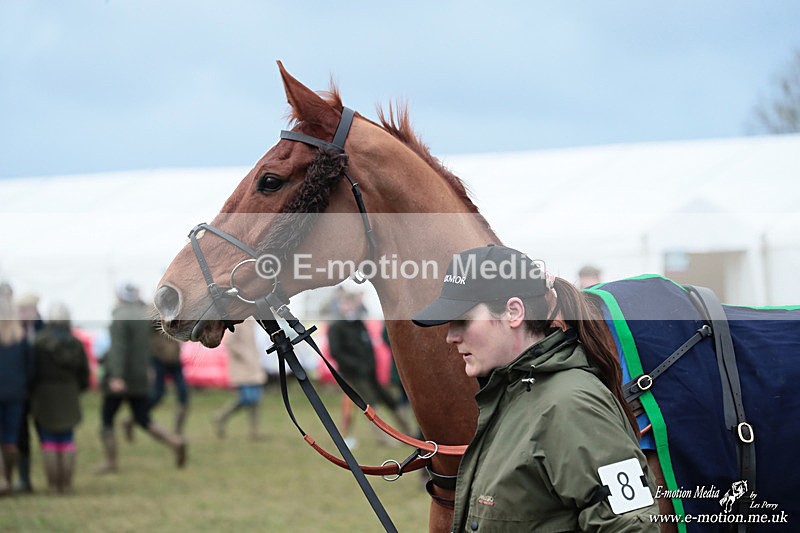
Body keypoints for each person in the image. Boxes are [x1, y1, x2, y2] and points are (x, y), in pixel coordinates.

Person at [412, 245, 659, 531]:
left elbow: (631, 526)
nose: (450, 336)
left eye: (462, 320)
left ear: (513, 312)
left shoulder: (571, 405)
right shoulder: (513, 394)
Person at [94, 283, 186, 474]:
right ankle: (174, 442)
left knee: (106, 420)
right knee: (144, 419)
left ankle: (111, 463)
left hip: (121, 376)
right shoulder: (146, 315)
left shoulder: (120, 317)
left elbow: (119, 348)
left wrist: (116, 376)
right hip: (140, 375)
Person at [327, 291, 411, 449]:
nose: (350, 307)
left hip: (370, 374)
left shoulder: (359, 324)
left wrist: (370, 365)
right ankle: (383, 439)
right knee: (370, 405)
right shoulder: (336, 327)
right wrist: (357, 366)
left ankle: (409, 434)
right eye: (347, 303)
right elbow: (336, 352)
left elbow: (369, 347)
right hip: (353, 375)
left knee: (391, 401)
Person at [30, 303, 90, 493]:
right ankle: (67, 485)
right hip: (69, 394)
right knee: (67, 440)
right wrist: (76, 389)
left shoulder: (38, 342)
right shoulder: (75, 343)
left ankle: (53, 485)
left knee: (48, 441)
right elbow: (84, 374)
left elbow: (33, 372)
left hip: (45, 394)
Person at [122, 319, 188, 441]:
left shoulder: (178, 310)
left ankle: (178, 433)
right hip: (159, 360)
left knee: (183, 394)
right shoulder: (154, 312)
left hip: (175, 360)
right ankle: (132, 419)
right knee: (157, 395)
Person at [212, 317, 267, 440]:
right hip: (242, 367)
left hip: (254, 365)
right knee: (248, 398)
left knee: (256, 400)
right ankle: (221, 416)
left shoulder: (253, 322)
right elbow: (229, 342)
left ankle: (254, 431)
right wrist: (243, 354)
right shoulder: (238, 321)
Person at [0, 296, 33, 496]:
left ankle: (1, 479)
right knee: (11, 440)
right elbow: (30, 368)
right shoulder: (21, 338)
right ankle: (10, 478)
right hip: (16, 394)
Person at [14, 292, 43, 493]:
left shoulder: (43, 329)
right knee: (20, 436)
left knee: (45, 433)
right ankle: (24, 479)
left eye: (28, 309)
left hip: (42, 392)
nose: (25, 313)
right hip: (20, 392)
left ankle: (54, 476)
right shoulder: (12, 331)